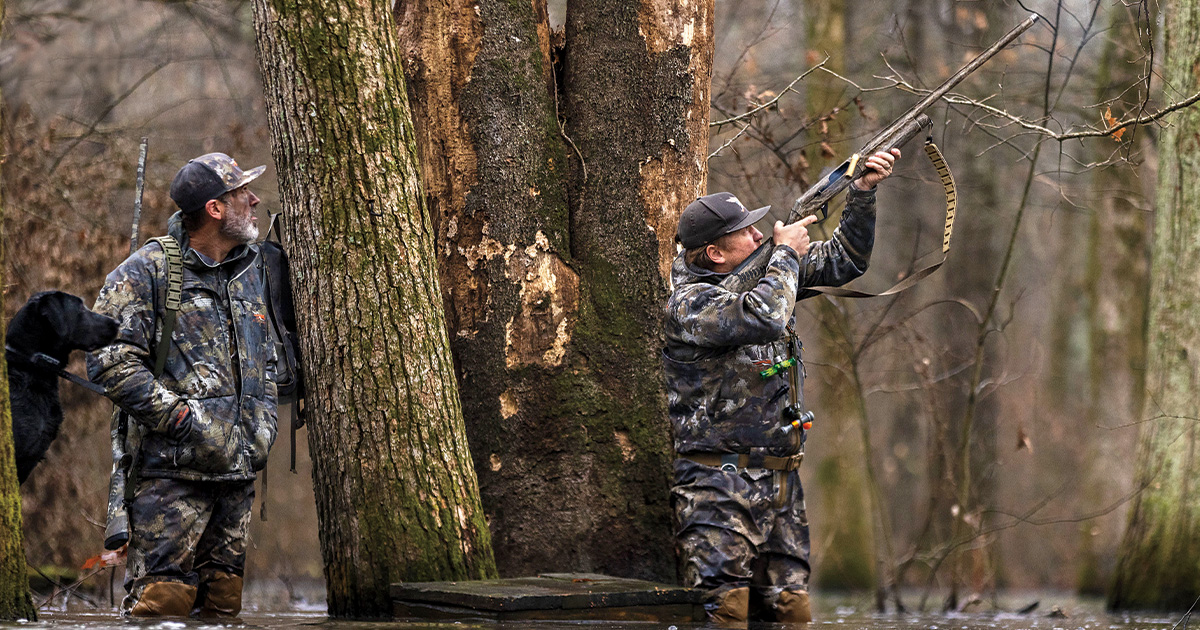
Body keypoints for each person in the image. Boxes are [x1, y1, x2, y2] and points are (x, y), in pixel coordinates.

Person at [663, 149, 900, 624]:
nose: (760, 235)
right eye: (747, 233)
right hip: (718, 486)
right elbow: (765, 316)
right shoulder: (690, 305)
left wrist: (861, 194)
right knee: (723, 614)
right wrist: (788, 253)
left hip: (780, 484)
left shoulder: (770, 276)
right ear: (714, 252)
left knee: (791, 612)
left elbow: (843, 262)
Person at [88, 152, 278, 618]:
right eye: (241, 194)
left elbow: (268, 358)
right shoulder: (147, 270)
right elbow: (109, 360)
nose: (254, 200)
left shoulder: (252, 271)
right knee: (163, 609)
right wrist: (180, 419)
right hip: (169, 483)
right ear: (215, 208)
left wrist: (264, 424)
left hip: (237, 478)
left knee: (223, 608)